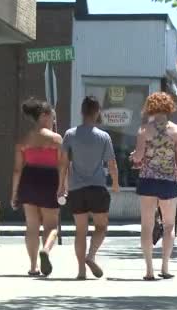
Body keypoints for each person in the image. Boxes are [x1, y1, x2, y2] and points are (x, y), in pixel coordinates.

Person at [58, 96, 119, 280]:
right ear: (97, 112)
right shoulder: (103, 136)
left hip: (76, 189)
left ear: (81, 111)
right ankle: (91, 256)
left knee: (80, 231)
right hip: (97, 188)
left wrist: (61, 185)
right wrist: (115, 183)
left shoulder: (70, 134)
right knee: (101, 226)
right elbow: (112, 164)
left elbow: (63, 163)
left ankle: (81, 271)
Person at [131, 92, 177, 281]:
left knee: (147, 226)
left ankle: (149, 270)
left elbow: (138, 158)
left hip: (147, 180)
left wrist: (134, 157)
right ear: (169, 108)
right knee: (169, 225)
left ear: (150, 108)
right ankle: (165, 266)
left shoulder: (143, 130)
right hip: (168, 182)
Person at [11, 99, 61, 277]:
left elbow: (17, 169)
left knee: (32, 226)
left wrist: (14, 193)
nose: (54, 121)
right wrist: (64, 186)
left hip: (28, 179)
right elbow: (63, 166)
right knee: (52, 225)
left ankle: (33, 267)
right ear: (44, 116)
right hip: (49, 179)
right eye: (52, 117)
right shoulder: (56, 139)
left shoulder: (24, 139)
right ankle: (46, 250)